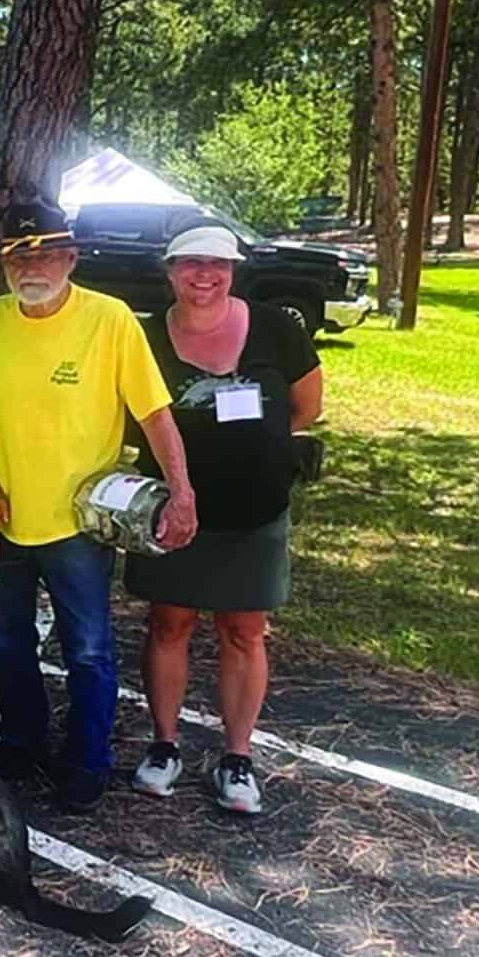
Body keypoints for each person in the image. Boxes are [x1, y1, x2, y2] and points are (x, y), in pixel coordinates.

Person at [0, 196, 197, 813]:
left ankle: (87, 759)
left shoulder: (110, 320)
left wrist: (182, 490)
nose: (28, 268)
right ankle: (23, 740)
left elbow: (154, 412)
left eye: (42, 255)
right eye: (16, 257)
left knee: (86, 647)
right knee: (5, 639)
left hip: (80, 519)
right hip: (3, 515)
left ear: (70, 257)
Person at [126, 225, 323, 814]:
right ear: (170, 272)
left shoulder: (276, 327)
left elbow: (306, 406)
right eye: (189, 265)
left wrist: (256, 451)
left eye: (216, 264)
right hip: (173, 508)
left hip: (255, 507)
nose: (203, 276)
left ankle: (238, 756)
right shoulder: (144, 337)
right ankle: (165, 746)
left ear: (234, 271)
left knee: (244, 630)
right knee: (170, 624)